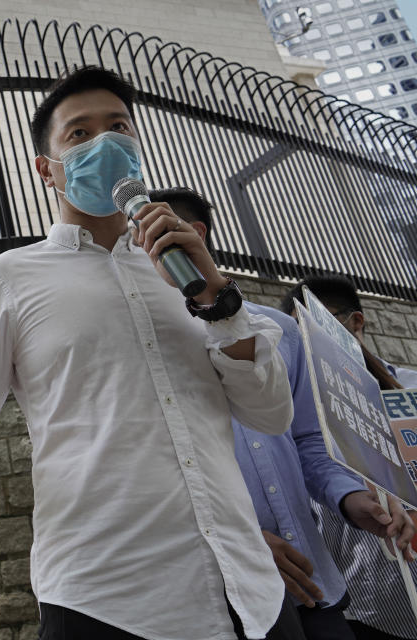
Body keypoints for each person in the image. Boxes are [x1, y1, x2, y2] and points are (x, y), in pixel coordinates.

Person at [0, 66, 295, 640]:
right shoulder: (11, 278)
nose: (105, 143)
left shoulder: (190, 272)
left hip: (250, 595)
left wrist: (218, 300)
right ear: (47, 169)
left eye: (118, 127)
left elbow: (270, 414)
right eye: (79, 134)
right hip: (103, 600)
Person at [156, 187, 416, 640]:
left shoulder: (280, 331)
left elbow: (309, 441)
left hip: (315, 586)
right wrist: (238, 538)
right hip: (221, 595)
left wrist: (351, 498)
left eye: (147, 235)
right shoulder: (143, 343)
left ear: (193, 235)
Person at [282, 275, 417, 640]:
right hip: (362, 601)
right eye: (302, 334)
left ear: (355, 322)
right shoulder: (300, 412)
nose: (315, 343)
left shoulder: (409, 389)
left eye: (322, 326)